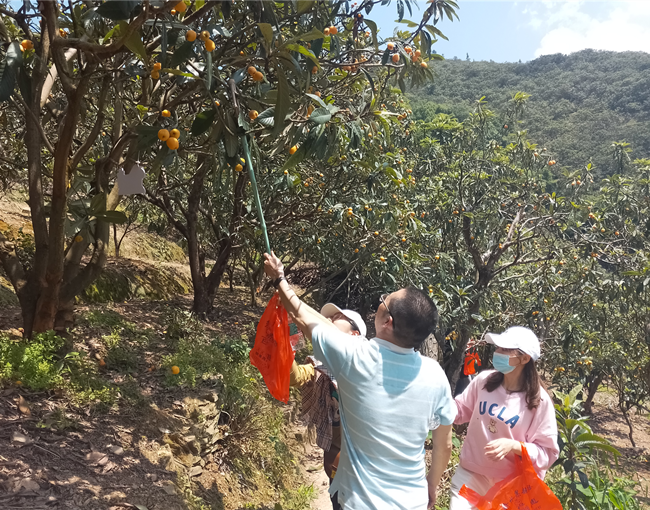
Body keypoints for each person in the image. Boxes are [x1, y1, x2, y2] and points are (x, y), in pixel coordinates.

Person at [264, 251, 456, 510]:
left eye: (384, 300)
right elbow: (444, 445)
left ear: (387, 321)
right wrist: (431, 485)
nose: (380, 302)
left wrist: (279, 279)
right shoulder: (435, 375)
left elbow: (300, 315)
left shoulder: (355, 357)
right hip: (413, 502)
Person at [449, 326, 559, 510]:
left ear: (524, 358)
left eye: (505, 349)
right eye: (498, 347)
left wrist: (514, 446)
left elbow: (548, 454)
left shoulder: (539, 401)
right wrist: (436, 405)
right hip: (471, 473)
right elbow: (460, 410)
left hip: (510, 488)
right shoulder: (484, 381)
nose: (497, 352)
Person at [290, 304, 367, 510]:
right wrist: (286, 346)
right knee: (338, 502)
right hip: (336, 457)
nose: (331, 319)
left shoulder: (368, 365)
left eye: (338, 316)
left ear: (354, 334)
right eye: (330, 317)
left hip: (364, 462)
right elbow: (295, 377)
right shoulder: (321, 365)